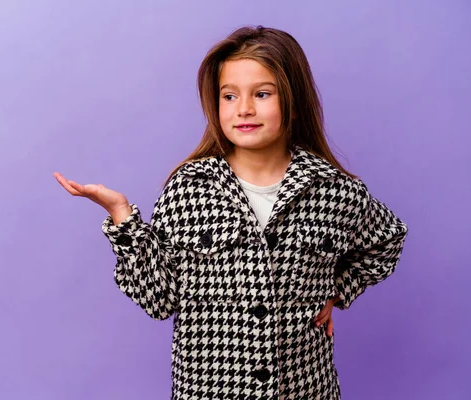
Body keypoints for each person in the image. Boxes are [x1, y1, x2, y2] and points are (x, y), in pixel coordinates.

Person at [54, 25, 408, 400]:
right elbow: (159, 299)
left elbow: (387, 238)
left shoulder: (333, 190)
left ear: (293, 99)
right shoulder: (190, 188)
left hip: (306, 389)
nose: (244, 109)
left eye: (262, 93)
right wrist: (123, 218)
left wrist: (335, 290)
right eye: (229, 96)